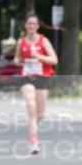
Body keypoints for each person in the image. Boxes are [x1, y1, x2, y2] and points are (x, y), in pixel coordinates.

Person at [14, 14, 58, 154]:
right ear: (25, 25)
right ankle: (34, 143)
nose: (31, 26)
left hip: (42, 77)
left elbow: (54, 60)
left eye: (34, 24)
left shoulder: (43, 41)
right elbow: (17, 58)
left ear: (38, 26)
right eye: (29, 24)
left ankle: (33, 125)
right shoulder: (21, 42)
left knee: (40, 114)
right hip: (26, 76)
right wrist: (17, 62)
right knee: (30, 105)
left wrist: (38, 56)